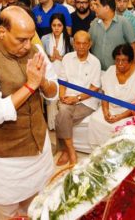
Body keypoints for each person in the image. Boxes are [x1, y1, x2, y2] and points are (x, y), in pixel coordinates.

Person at [0, 6, 58, 219]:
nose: (28, 46)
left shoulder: (35, 50)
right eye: (21, 40)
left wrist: (42, 81)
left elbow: (54, 91)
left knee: (36, 204)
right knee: (8, 212)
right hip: (3, 159)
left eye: (30, 38)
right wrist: (30, 86)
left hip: (36, 147)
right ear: (2, 32)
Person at [87, 43, 135, 148]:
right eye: (117, 60)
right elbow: (104, 94)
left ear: (131, 60)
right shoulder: (111, 70)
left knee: (124, 128)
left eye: (123, 60)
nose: (120, 64)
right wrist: (106, 111)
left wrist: (120, 117)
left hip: (130, 112)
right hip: (111, 109)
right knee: (95, 119)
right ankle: (101, 151)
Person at [55, 30, 101, 166]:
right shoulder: (67, 58)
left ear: (89, 44)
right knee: (64, 111)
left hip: (87, 101)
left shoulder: (95, 62)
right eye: (78, 43)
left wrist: (77, 98)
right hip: (67, 99)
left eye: (84, 43)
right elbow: (62, 81)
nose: (81, 46)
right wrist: (62, 96)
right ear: (73, 43)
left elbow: (94, 88)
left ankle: (66, 150)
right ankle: (70, 150)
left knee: (61, 117)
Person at [89, 0, 135, 71]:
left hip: (118, 71)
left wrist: (132, 67)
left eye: (97, 5)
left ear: (106, 8)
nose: (94, 8)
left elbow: (133, 45)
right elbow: (88, 42)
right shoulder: (95, 22)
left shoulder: (123, 22)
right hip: (97, 71)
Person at [41, 13, 72, 130]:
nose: (56, 28)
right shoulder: (45, 38)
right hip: (50, 74)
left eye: (59, 25)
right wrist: (50, 58)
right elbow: (41, 57)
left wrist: (60, 57)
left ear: (63, 26)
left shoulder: (70, 39)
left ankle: (62, 125)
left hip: (65, 74)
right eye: (54, 25)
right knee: (51, 100)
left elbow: (73, 61)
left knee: (63, 100)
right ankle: (52, 126)